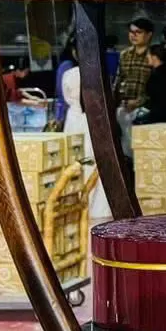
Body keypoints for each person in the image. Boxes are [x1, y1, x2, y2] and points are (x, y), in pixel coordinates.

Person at [58, 42, 111, 221]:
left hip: (74, 119)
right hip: (94, 119)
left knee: (76, 159)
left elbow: (65, 96)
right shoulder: (99, 75)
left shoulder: (69, 74)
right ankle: (98, 207)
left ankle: (76, 204)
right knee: (95, 159)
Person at [113, 17, 154, 158]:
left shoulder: (153, 56)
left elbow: (159, 85)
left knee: (143, 148)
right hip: (124, 108)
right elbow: (118, 80)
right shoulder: (124, 55)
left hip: (146, 109)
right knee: (125, 148)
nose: (133, 35)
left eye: (138, 32)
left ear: (149, 35)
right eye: (131, 32)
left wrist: (139, 102)